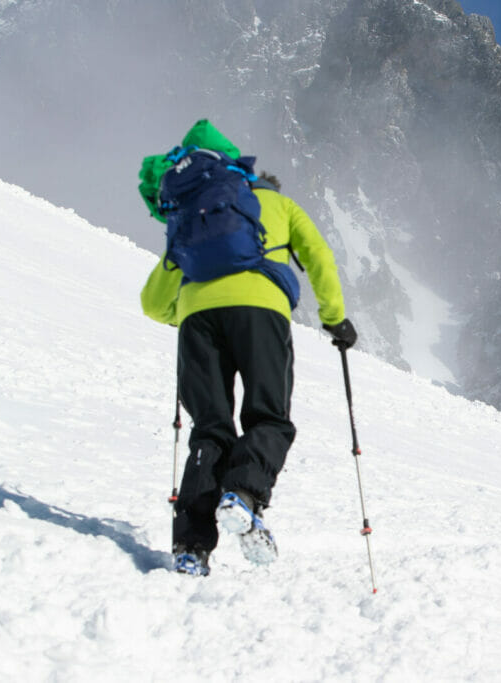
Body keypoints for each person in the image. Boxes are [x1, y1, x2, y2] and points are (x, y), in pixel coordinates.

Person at [140, 121, 356, 576]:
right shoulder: (278, 203)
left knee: (210, 427)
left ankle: (191, 548)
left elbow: (152, 302)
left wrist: (191, 312)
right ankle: (243, 493)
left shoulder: (194, 212)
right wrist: (334, 319)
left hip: (198, 320)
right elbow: (318, 256)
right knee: (268, 415)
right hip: (262, 314)